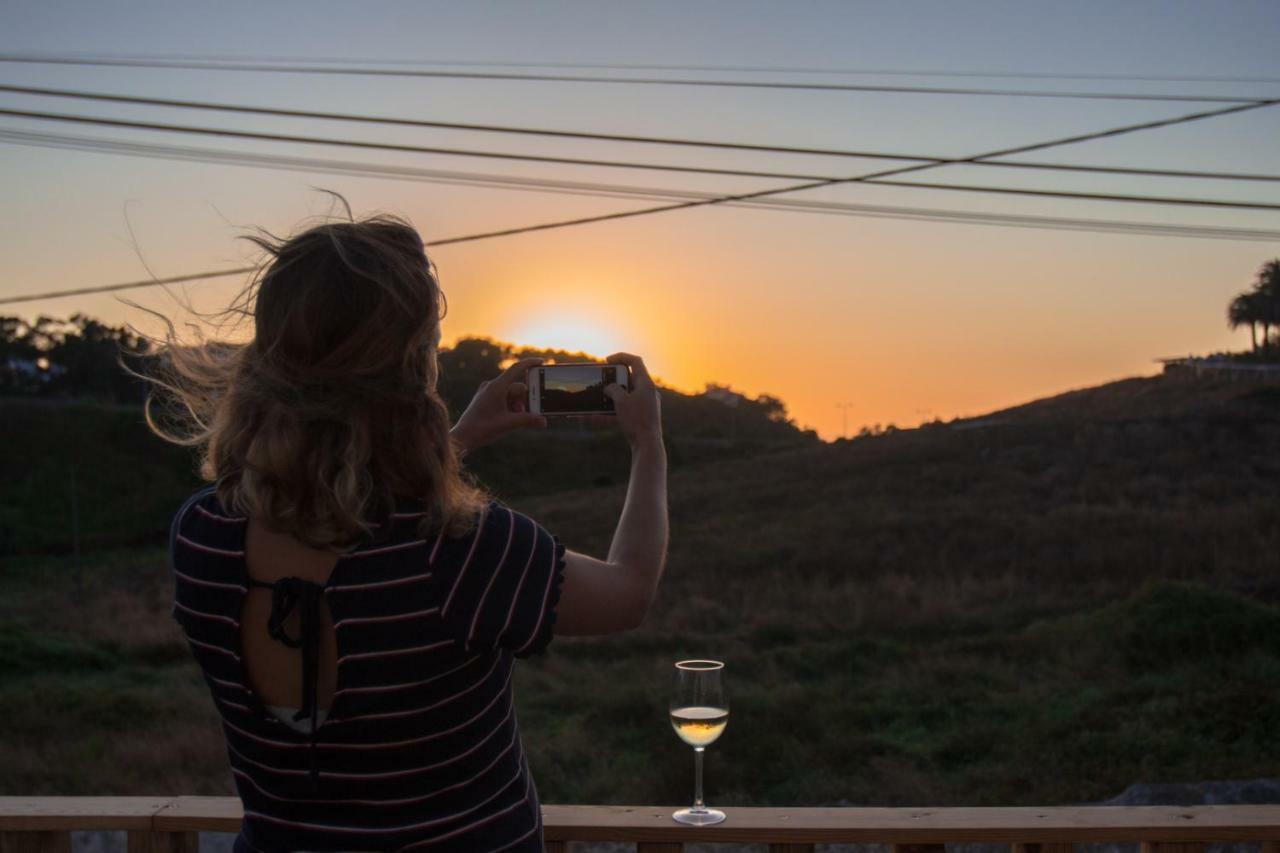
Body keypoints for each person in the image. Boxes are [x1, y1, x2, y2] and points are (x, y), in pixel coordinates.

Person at [146, 210, 668, 852]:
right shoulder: (459, 551)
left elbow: (343, 512)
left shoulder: (202, 537)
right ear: (412, 369)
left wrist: (464, 439)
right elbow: (630, 592)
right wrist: (647, 442)